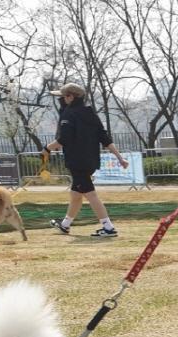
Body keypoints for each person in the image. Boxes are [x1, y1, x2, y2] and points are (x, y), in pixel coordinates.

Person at [44, 82, 130, 238]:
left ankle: (108, 227)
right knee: (76, 194)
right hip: (90, 161)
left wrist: (46, 149)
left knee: (90, 195)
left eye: (63, 96)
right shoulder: (90, 113)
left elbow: (64, 139)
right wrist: (120, 157)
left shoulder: (69, 115)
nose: (62, 100)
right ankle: (65, 225)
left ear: (71, 96)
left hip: (77, 162)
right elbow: (104, 137)